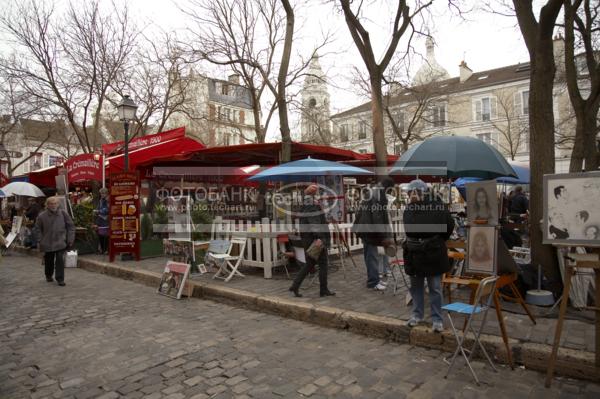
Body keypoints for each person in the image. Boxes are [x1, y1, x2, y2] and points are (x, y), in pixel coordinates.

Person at [402, 179, 455, 333]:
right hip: (414, 253)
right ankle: (417, 315)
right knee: (416, 287)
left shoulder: (438, 206)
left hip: (433, 252)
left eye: (411, 192)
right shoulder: (409, 208)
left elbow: (449, 226)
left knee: (435, 288)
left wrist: (436, 241)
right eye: (408, 192)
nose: (409, 195)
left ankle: (437, 319)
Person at [288, 184, 335, 298]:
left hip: (309, 237)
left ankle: (295, 285)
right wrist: (319, 237)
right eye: (318, 191)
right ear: (314, 193)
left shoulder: (307, 202)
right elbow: (314, 221)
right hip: (314, 238)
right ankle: (323, 290)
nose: (319, 193)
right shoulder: (311, 204)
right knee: (323, 263)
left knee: (310, 264)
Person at [353, 177, 395, 291]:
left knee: (370, 256)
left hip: (366, 229)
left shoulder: (373, 191)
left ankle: (373, 279)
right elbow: (377, 217)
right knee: (372, 257)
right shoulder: (377, 194)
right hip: (369, 230)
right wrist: (383, 236)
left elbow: (362, 211)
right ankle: (373, 282)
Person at [35, 196, 75, 286]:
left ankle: (60, 278)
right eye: (51, 204)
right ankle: (48, 274)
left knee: (60, 259)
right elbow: (37, 229)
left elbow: (71, 226)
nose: (53, 205)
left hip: (60, 241)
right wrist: (39, 240)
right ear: (47, 205)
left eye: (55, 203)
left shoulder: (63, 214)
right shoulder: (41, 216)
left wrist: (70, 239)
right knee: (49, 260)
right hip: (47, 242)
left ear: (58, 204)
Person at [94, 188, 109, 254]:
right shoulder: (101, 200)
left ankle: (105, 250)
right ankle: (103, 249)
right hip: (100, 220)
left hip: (106, 220)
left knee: (105, 236)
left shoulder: (108, 200)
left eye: (103, 193)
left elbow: (107, 210)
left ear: (106, 193)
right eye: (101, 193)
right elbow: (98, 207)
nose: (102, 195)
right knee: (100, 235)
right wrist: (96, 210)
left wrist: (99, 211)